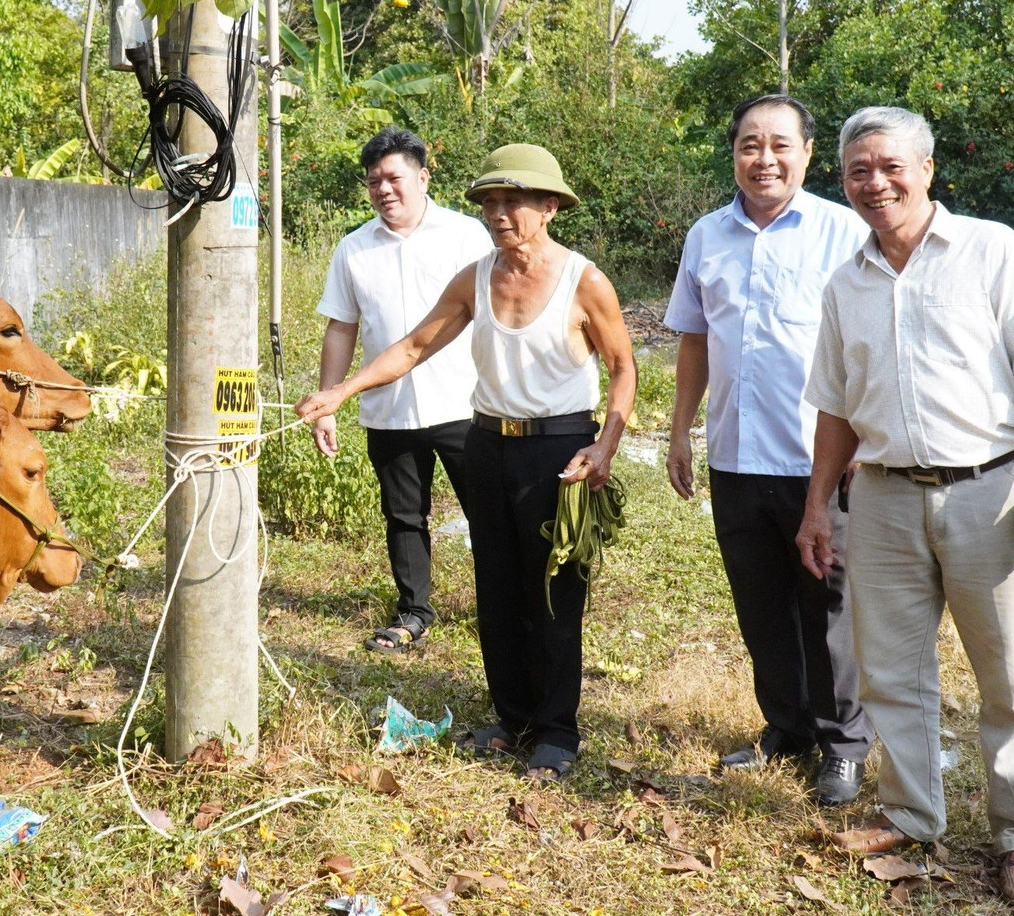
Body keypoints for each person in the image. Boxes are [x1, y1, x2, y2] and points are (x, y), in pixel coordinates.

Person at [795, 106, 1014, 906]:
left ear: (926, 168)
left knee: (1012, 677)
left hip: (991, 490)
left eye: (890, 166)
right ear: (843, 180)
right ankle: (912, 814)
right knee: (890, 669)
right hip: (881, 494)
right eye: (858, 171)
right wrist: (819, 505)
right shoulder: (846, 279)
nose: (875, 182)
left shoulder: (991, 251)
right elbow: (835, 408)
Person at [297, 144, 637, 782]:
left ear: (550, 207)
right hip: (487, 444)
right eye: (490, 202)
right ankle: (512, 718)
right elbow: (417, 344)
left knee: (555, 593)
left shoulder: (583, 281)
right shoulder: (475, 276)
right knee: (498, 587)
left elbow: (623, 366)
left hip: (559, 448)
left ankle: (558, 731)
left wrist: (605, 444)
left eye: (515, 201)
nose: (500, 213)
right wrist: (340, 391)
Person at [664, 94, 873, 805]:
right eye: (750, 144)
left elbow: (870, 344)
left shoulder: (842, 233)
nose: (765, 159)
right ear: (733, 154)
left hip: (820, 460)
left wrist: (860, 446)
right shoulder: (707, 236)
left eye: (780, 145)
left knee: (830, 609)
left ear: (808, 154)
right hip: (735, 456)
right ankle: (786, 725)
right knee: (761, 605)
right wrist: (681, 428)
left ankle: (844, 743)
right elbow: (695, 337)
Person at [313, 127, 494, 652]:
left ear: (422, 177)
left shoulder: (465, 236)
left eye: (394, 178)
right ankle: (414, 612)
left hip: (466, 403)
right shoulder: (353, 248)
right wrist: (328, 403)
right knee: (404, 516)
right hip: (388, 409)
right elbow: (342, 327)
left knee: (487, 512)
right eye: (374, 182)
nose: (384, 189)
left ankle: (500, 605)